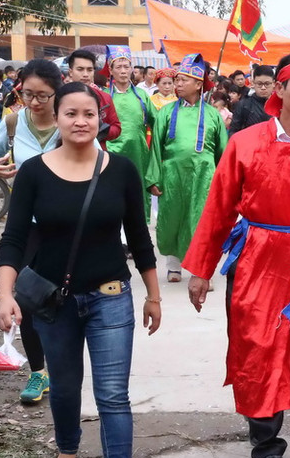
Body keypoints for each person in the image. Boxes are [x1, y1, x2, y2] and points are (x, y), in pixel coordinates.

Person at [0, 81, 161, 458]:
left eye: (89, 114)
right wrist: (5, 294)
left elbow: (140, 236)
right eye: (71, 113)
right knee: (65, 385)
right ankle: (68, 447)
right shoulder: (34, 171)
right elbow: (12, 240)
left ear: (101, 119)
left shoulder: (122, 170)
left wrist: (154, 295)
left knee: (112, 395)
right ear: (58, 116)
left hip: (111, 297)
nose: (80, 122)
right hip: (53, 300)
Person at [182, 51, 290, 458]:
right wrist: (201, 269)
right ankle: (267, 448)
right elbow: (218, 209)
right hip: (255, 260)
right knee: (256, 347)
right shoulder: (244, 143)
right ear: (279, 90)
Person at [0, 60, 64, 405]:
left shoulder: (70, 121)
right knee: (27, 299)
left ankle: (65, 366)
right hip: (26, 225)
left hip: (66, 227)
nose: (34, 102)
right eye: (27, 94)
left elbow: (99, 160)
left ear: (57, 92)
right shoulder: (15, 122)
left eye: (43, 95)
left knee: (66, 299)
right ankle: (38, 371)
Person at [145, 53, 228, 282]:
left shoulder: (213, 115)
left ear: (198, 84)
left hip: (204, 177)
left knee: (201, 221)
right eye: (176, 80)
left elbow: (223, 152)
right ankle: (173, 266)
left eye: (183, 80)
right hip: (172, 175)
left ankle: (200, 270)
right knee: (172, 218)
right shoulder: (166, 112)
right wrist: (153, 178)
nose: (177, 84)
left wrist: (225, 184)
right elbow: (155, 149)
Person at [104, 46, 154, 222]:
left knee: (136, 190)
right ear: (110, 70)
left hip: (138, 152)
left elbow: (156, 122)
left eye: (127, 66)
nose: (123, 71)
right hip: (110, 152)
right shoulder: (104, 96)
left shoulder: (142, 95)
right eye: (119, 67)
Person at [66, 49, 121, 147]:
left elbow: (116, 128)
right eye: (80, 69)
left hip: (97, 154)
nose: (86, 74)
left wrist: (100, 130)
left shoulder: (105, 98)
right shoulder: (60, 97)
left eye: (90, 70)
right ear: (70, 72)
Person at [228, 65, 273, 135]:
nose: (263, 88)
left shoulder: (281, 106)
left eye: (267, 84)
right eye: (259, 84)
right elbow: (234, 131)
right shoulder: (244, 105)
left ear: (274, 84)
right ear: (253, 83)